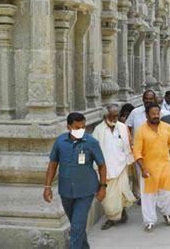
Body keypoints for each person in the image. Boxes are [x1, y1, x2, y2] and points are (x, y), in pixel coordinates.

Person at [44, 112, 107, 249]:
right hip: (66, 190)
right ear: (68, 127)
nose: (81, 131)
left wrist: (103, 186)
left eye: (83, 127)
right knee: (76, 224)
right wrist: (47, 186)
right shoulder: (60, 141)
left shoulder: (91, 142)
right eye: (77, 128)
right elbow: (53, 164)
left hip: (86, 191)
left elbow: (102, 165)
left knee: (77, 227)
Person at [133, 103, 170, 232]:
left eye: (157, 113)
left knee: (167, 193)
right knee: (148, 196)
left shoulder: (167, 128)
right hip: (148, 168)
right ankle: (150, 221)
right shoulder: (141, 131)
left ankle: (167, 213)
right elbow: (137, 152)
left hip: (165, 166)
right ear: (147, 115)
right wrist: (143, 168)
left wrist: (160, 153)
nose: (156, 116)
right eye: (153, 113)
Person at [93, 105, 136, 230]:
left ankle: (118, 215)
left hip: (122, 166)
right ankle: (111, 217)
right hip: (105, 168)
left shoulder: (122, 128)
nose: (115, 118)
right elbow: (94, 149)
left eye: (116, 115)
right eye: (112, 115)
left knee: (121, 193)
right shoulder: (98, 130)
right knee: (108, 198)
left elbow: (129, 145)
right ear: (106, 116)